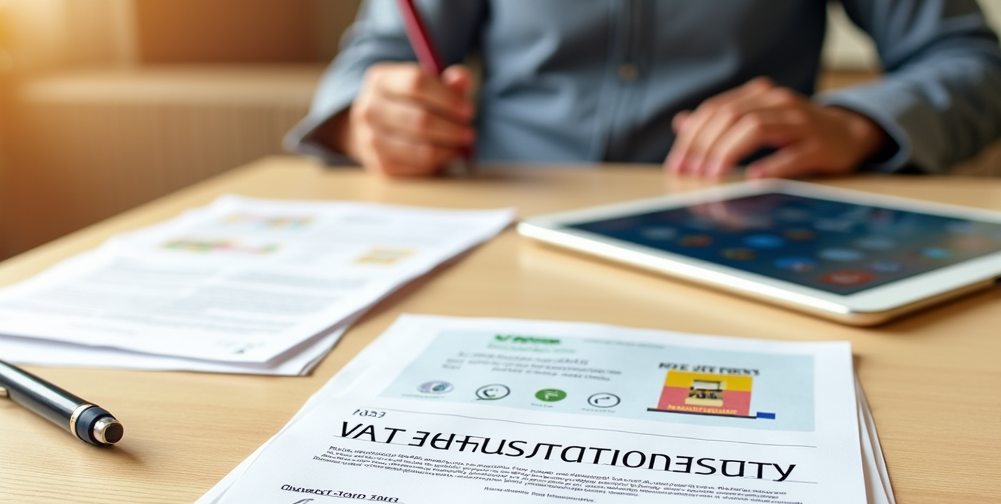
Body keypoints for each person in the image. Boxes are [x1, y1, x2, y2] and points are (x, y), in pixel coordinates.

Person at [285, 0, 1001, 179]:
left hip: (741, 223)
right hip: (495, 216)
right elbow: (382, 53)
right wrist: (363, 117)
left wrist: (857, 124)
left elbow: (970, 60)